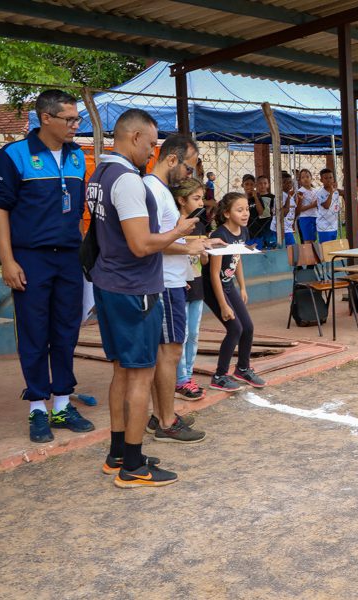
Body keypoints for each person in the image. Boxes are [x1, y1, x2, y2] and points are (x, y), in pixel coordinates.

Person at [88, 109, 198, 487]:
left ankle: (118, 452)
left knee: (122, 370)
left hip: (109, 282)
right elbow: (141, 244)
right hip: (134, 288)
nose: (152, 151)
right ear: (133, 137)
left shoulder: (100, 175)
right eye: (151, 143)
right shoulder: (128, 181)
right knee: (140, 374)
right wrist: (178, 231)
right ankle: (133, 465)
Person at [0, 89, 94, 443]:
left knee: (66, 331)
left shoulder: (77, 157)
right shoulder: (14, 156)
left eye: (77, 119)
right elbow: (1, 211)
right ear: (46, 118)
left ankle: (62, 402)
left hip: (68, 256)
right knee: (35, 333)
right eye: (69, 119)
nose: (75, 125)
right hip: (31, 259)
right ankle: (38, 406)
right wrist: (8, 260)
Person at [142, 133, 209, 444]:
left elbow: (170, 238)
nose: (189, 174)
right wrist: (190, 247)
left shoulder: (160, 191)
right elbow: (157, 242)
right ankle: (166, 420)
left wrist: (199, 243)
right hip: (165, 283)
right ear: (172, 159)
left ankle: (161, 414)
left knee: (166, 352)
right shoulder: (153, 191)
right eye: (189, 167)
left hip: (170, 281)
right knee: (170, 353)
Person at [203, 192, 265, 392]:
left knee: (247, 327)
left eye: (247, 209)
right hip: (214, 289)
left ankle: (243, 369)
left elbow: (238, 259)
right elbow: (213, 274)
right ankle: (219, 376)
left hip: (229, 286)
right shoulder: (220, 235)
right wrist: (222, 305)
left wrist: (243, 286)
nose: (246, 213)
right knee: (235, 328)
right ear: (227, 213)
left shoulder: (243, 232)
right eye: (240, 210)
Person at [172, 178, 209, 402]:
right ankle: (180, 379)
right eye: (196, 198)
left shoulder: (200, 225)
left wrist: (204, 254)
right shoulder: (173, 225)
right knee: (181, 335)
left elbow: (202, 262)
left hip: (196, 285)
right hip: (179, 284)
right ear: (181, 200)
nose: (201, 202)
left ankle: (188, 376)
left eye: (202, 197)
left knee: (193, 334)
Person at [315, 168, 340, 243]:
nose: (329, 180)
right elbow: (326, 206)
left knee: (332, 248)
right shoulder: (320, 193)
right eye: (326, 178)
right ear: (321, 180)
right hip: (324, 227)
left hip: (334, 225)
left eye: (330, 177)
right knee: (325, 249)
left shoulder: (336, 191)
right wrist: (331, 193)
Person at [294, 168, 317, 244]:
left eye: (307, 177)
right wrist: (312, 205)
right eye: (303, 177)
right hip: (305, 218)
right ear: (300, 180)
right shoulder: (300, 192)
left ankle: (312, 255)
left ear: (311, 178)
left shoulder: (315, 191)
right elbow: (299, 209)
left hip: (315, 217)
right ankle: (307, 255)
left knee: (313, 240)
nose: (305, 179)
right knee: (307, 241)